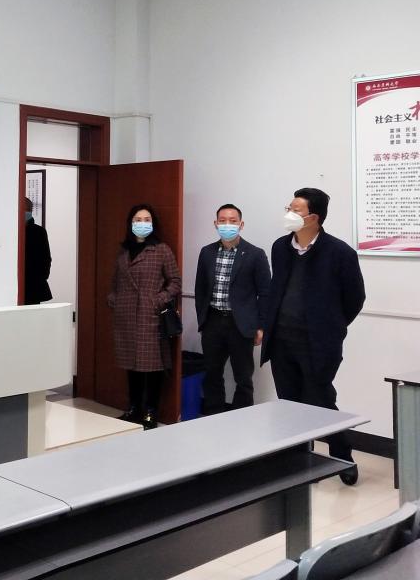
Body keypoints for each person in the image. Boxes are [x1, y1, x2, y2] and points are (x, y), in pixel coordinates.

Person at [261, 188, 366, 485]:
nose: (289, 214)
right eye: (288, 207)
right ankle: (297, 461)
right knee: (289, 403)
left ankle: (342, 456)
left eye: (296, 210)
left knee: (321, 401)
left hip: (317, 343)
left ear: (314, 218)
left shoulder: (339, 252)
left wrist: (331, 326)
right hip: (281, 340)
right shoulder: (280, 247)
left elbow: (355, 298)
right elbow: (276, 289)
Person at [108, 204, 181, 430]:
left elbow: (175, 282)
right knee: (131, 365)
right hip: (126, 316)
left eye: (146, 219)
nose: (142, 223)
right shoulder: (124, 251)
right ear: (131, 224)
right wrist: (113, 298)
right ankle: (134, 408)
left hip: (150, 316)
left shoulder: (161, 250)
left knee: (152, 366)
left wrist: (157, 300)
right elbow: (116, 281)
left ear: (153, 223)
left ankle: (150, 411)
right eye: (137, 219)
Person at [194, 204, 271, 415]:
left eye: (233, 220)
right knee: (212, 373)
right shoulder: (207, 252)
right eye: (222, 220)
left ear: (241, 224)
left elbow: (265, 293)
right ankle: (213, 416)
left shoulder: (255, 254)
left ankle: (242, 420)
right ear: (215, 224)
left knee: (243, 378)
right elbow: (200, 288)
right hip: (213, 321)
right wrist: (202, 319)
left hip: (241, 325)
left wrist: (261, 326)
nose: (227, 225)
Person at [23, 197, 52, 305]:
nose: (26, 212)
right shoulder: (12, 230)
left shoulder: (39, 231)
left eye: (28, 210)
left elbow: (46, 258)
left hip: (34, 284)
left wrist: (41, 278)